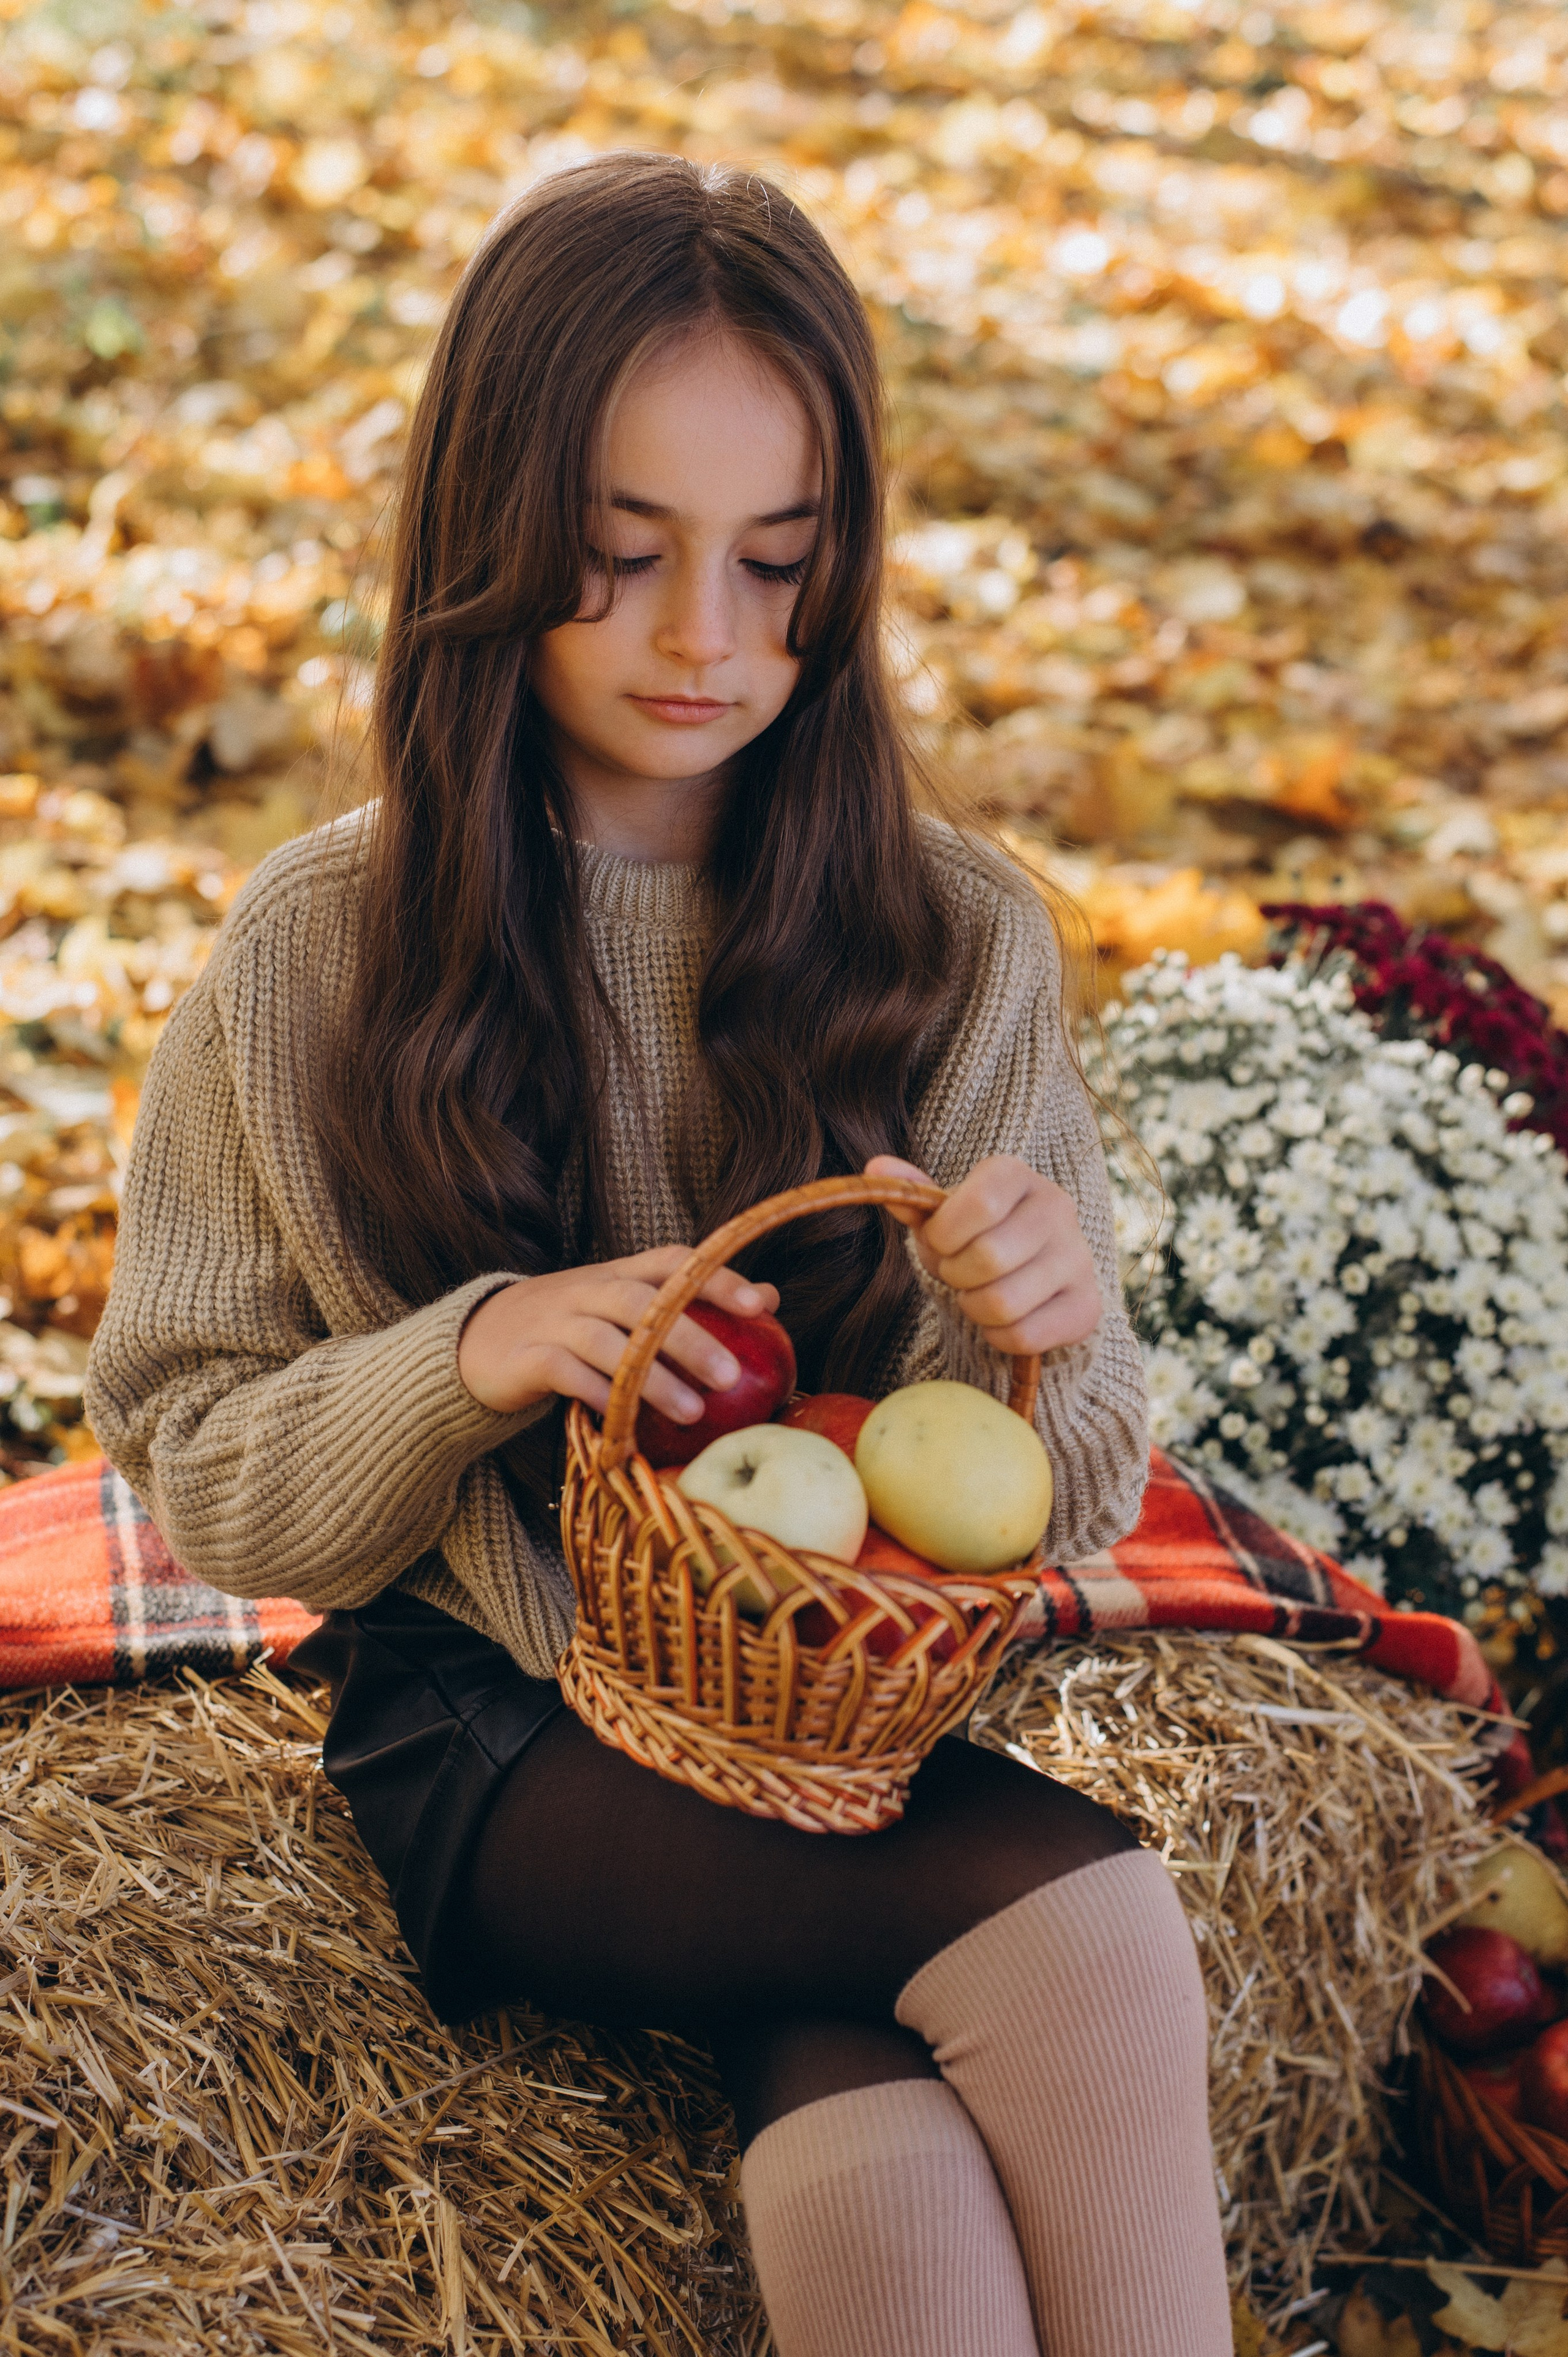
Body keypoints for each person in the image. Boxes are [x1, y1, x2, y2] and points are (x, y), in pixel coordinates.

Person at [86, 152, 1232, 2357]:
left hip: (826, 1727)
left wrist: (1040, 1342)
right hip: (499, 1737)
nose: (711, 640)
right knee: (1085, 1930)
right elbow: (195, 1464)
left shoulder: (953, 933)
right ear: (488, 549)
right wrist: (476, 1352)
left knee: (878, 2140)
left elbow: (1061, 1499)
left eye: (776, 565)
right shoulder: (320, 949)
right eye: (623, 562)